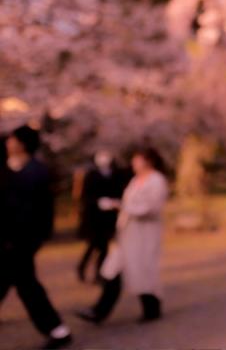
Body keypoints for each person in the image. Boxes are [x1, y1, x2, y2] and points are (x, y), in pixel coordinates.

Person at [0, 126, 74, 349]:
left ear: (21, 143)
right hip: (5, 239)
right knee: (23, 284)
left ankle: (58, 330)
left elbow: (42, 209)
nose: (8, 142)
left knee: (25, 284)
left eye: (13, 139)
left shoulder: (37, 171)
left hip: (22, 239)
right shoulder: (4, 169)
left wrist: (37, 236)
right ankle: (57, 329)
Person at [77, 147, 169, 324]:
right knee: (113, 270)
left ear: (148, 161)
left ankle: (152, 308)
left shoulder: (156, 181)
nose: (134, 163)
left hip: (144, 234)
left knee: (142, 270)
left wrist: (120, 207)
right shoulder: (135, 180)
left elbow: (151, 208)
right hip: (128, 233)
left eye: (137, 159)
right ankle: (99, 311)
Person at [77, 150, 126, 283]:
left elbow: (120, 190)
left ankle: (99, 272)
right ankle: (82, 268)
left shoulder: (115, 174)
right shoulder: (91, 175)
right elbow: (85, 197)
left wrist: (114, 202)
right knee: (94, 245)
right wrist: (99, 202)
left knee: (104, 247)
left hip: (109, 218)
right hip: (94, 218)